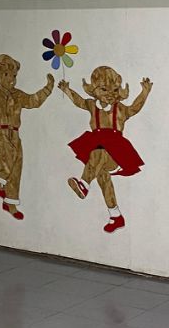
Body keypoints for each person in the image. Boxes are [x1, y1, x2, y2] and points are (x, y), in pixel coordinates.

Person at [58, 66, 153, 233]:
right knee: (103, 179)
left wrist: (145, 92)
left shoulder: (120, 109)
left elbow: (135, 107)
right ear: (94, 90)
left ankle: (84, 184)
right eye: (104, 89)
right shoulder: (92, 105)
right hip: (96, 146)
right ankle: (116, 215)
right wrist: (67, 90)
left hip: (116, 151)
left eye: (114, 90)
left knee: (98, 152)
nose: (110, 94)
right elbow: (79, 101)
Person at [0, 54, 54, 220]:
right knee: (9, 152)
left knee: (17, 164)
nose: (11, 79)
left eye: (14, 76)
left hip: (14, 134)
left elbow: (33, 101)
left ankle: (10, 203)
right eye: (6, 75)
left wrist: (48, 88)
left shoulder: (18, 95)